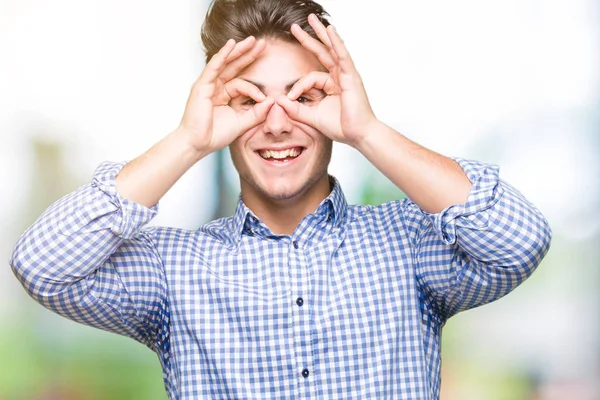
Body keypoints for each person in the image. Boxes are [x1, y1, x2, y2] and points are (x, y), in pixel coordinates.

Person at [10, 0, 552, 398]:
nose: (275, 123)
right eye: (247, 99)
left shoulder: (410, 243)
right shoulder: (173, 269)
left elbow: (520, 239)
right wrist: (188, 141)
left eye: (303, 96)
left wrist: (366, 131)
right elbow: (43, 266)